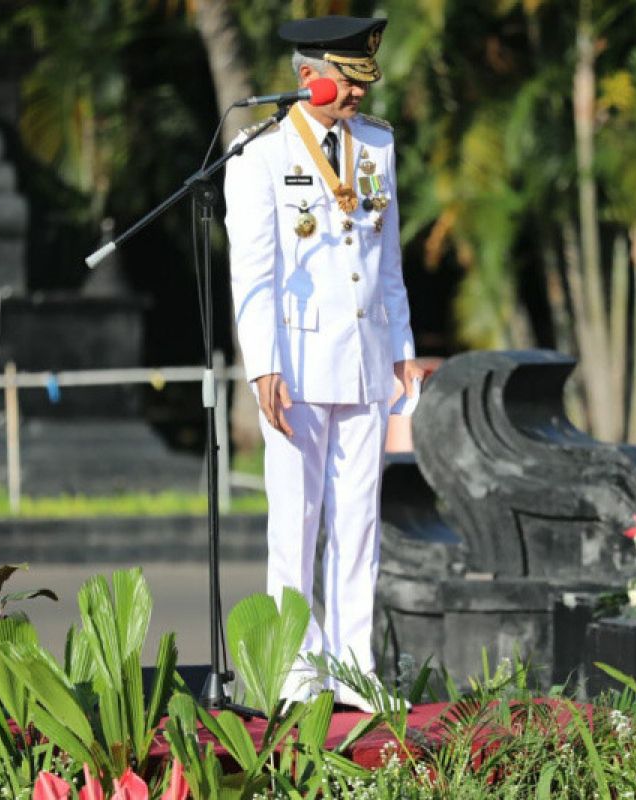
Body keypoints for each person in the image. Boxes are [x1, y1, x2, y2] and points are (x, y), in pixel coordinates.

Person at [224, 15, 422, 711]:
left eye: (365, 82)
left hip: (366, 359)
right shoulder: (258, 158)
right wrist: (261, 367)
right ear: (312, 79)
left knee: (358, 520)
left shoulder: (378, 147)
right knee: (296, 519)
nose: (357, 97)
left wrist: (401, 349)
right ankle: (296, 672)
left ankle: (354, 668)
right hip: (298, 366)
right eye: (347, 82)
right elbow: (253, 272)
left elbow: (387, 262)